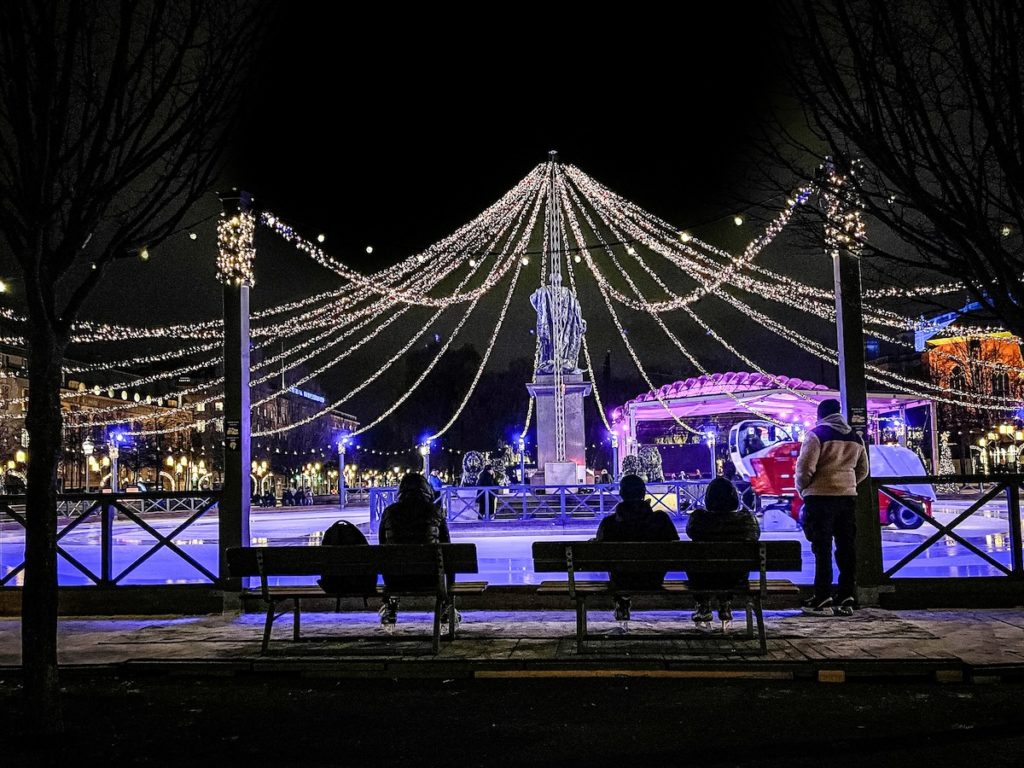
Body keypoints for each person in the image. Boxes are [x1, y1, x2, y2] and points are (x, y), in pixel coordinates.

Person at [796, 398, 869, 616]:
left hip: (820, 498)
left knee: (822, 548)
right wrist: (848, 483)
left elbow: (805, 468)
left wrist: (804, 488)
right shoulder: (855, 438)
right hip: (847, 499)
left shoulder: (816, 434)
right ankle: (847, 595)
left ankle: (822, 596)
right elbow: (863, 469)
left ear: (821, 415)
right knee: (846, 548)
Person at [595, 474, 679, 623]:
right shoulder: (661, 520)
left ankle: (622, 601)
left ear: (621, 494)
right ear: (643, 493)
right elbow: (677, 547)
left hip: (621, 581)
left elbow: (599, 553)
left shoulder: (609, 524)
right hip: (653, 579)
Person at [377, 472, 455, 629]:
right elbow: (448, 547)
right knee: (449, 558)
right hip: (431, 578)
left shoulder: (389, 512)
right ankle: (446, 604)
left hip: (396, 581)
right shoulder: (435, 511)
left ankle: (390, 604)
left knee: (388, 558)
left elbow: (382, 545)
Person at [686, 477, 760, 630]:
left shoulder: (699, 520)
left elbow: (690, 532)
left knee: (695, 558)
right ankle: (725, 604)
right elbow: (755, 535)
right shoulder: (747, 521)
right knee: (731, 568)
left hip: (703, 580)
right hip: (736, 579)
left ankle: (703, 605)